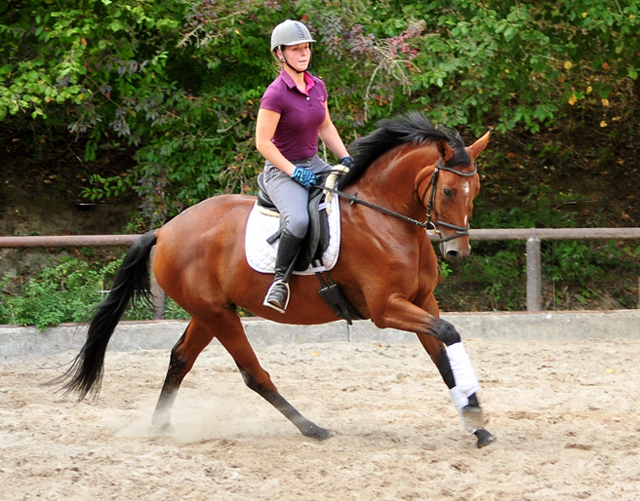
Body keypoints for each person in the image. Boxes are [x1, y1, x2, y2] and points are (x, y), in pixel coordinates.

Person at [256, 19, 354, 314]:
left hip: (315, 162)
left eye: (306, 48)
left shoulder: (318, 85)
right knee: (298, 220)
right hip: (282, 170)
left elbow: (325, 126)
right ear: (280, 54)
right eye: (296, 50)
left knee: (356, 195)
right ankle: (280, 282)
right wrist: (292, 171)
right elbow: (262, 142)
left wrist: (346, 158)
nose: (304, 54)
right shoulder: (275, 94)